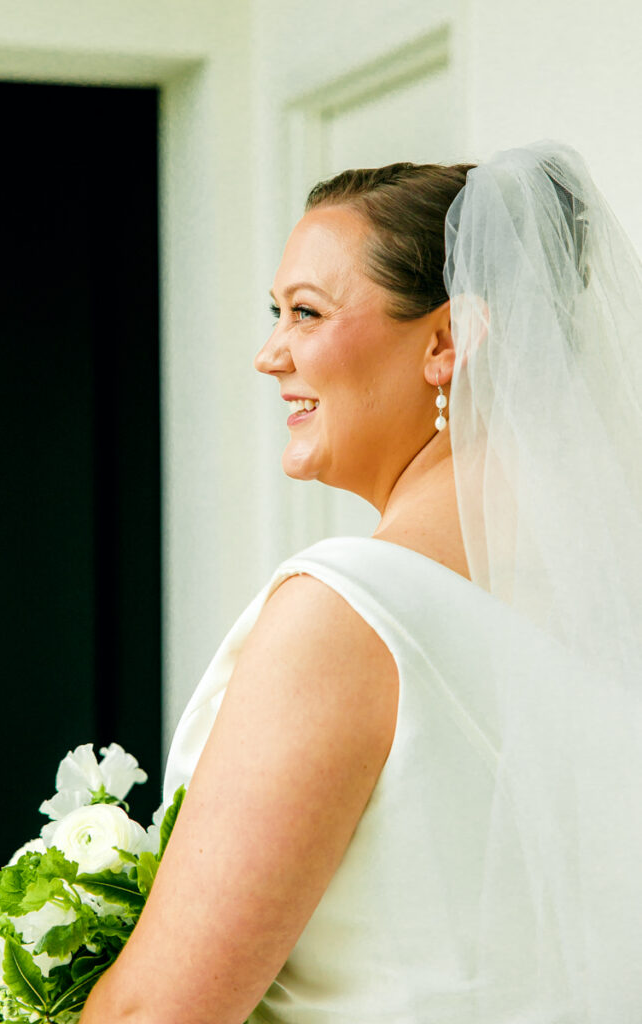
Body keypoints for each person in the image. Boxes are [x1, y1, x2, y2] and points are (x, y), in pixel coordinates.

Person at [79, 141, 642, 1024]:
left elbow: (151, 1014)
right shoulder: (603, 624)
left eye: (305, 313)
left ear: (446, 342)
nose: (270, 354)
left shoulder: (347, 611)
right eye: (274, 313)